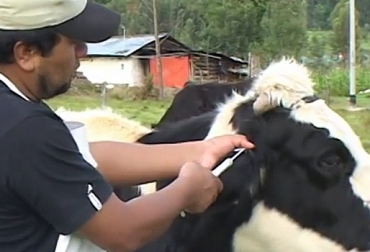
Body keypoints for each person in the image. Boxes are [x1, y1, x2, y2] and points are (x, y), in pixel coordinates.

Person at [0, 0, 255, 252]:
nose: (83, 52)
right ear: (26, 54)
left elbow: (79, 157)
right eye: (73, 43)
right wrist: (186, 191)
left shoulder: (12, 113)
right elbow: (122, 232)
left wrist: (200, 151)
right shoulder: (27, 129)